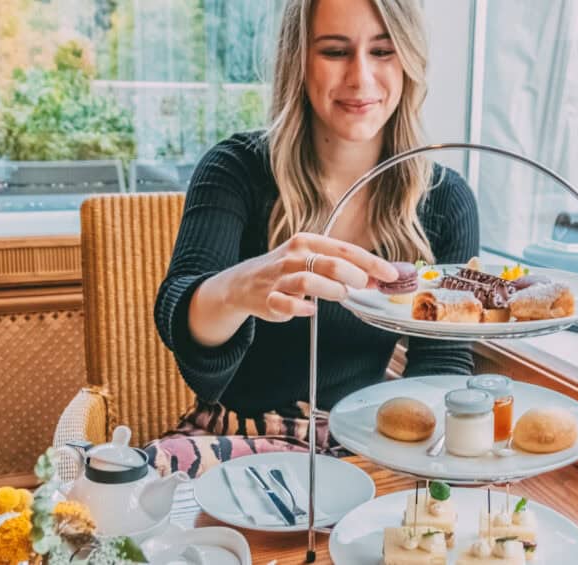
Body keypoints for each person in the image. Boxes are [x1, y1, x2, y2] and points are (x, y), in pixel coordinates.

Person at [149, 0, 479, 477]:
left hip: (365, 448)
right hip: (233, 440)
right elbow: (187, 339)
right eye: (335, 51)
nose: (361, 78)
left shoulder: (445, 200)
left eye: (383, 51)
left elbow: (441, 369)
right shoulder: (237, 170)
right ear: (297, 60)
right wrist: (240, 289)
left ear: (409, 59)